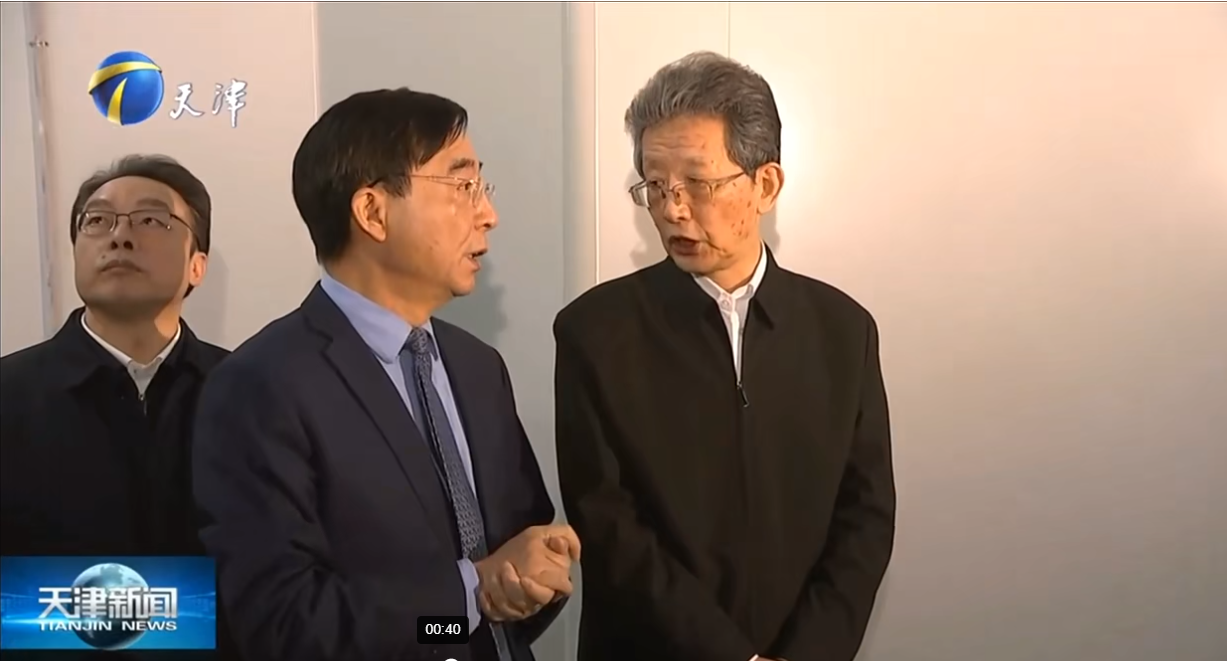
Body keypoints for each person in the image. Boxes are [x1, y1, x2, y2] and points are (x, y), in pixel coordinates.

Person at [191, 88, 578, 661]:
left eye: (482, 189)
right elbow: (284, 625)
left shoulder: (477, 368)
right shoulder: (260, 386)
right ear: (373, 212)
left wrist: (530, 576)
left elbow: (510, 576)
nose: (488, 215)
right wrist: (468, 597)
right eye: (462, 187)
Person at [553, 52, 897, 661]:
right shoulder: (595, 333)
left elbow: (864, 519)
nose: (672, 209)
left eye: (697, 183)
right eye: (655, 185)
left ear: (765, 185)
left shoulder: (843, 332)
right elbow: (608, 525)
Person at [0, 154, 229, 557]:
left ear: (197, 265)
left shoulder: (249, 391)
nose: (120, 236)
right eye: (97, 221)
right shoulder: (9, 393)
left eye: (150, 220)